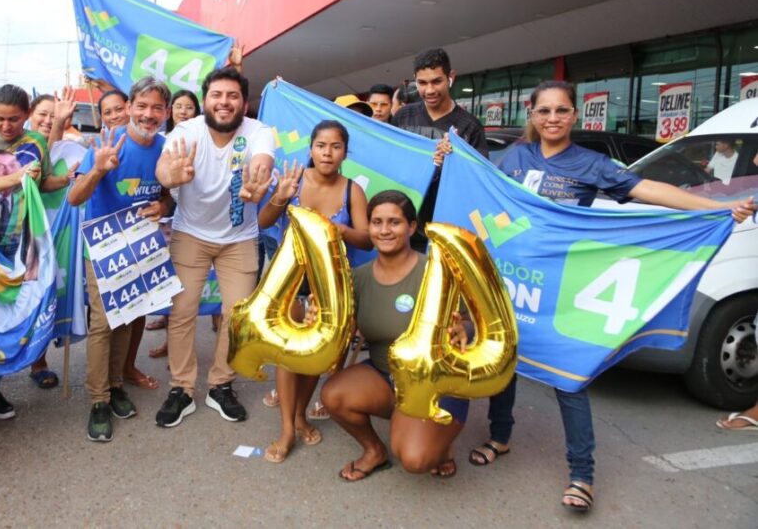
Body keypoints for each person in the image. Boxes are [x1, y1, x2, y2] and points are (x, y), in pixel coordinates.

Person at [437, 80, 756, 513]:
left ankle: (581, 473)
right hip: (510, 279)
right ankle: (500, 436)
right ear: (531, 115)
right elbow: (480, 186)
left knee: (570, 376)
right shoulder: (514, 156)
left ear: (574, 116)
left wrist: (716, 208)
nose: (552, 118)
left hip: (562, 286)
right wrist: (447, 157)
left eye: (562, 110)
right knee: (504, 357)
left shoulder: (591, 164)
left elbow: (650, 191)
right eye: (544, 110)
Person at [320, 190, 471, 481]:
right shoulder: (358, 277)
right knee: (334, 395)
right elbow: (340, 329)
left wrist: (463, 329)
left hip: (434, 385)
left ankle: (441, 442)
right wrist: (319, 317)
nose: (384, 230)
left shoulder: (437, 272)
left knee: (416, 460)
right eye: (376, 222)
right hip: (384, 374)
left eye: (394, 222)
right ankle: (374, 451)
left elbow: (473, 321)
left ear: (412, 227)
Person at [155, 67, 275, 427]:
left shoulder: (258, 131)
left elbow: (262, 161)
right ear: (205, 100)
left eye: (232, 96)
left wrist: (258, 181)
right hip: (190, 233)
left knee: (236, 316)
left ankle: (221, 384)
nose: (224, 102)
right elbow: (165, 168)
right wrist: (170, 177)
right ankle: (181, 388)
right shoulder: (186, 131)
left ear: (244, 102)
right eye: (217, 95)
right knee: (182, 313)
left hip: (238, 238)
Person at [0, 84, 72, 431]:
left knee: (7, 319)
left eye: (14, 120)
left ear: (26, 116)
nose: (6, 126)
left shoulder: (36, 143)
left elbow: (41, 183)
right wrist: (14, 176)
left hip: (22, 246)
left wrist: (66, 179)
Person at [256, 120, 371, 462]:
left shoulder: (353, 190)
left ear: (345, 153)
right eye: (321, 145)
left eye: (336, 147)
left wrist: (337, 229)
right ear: (311, 149)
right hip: (289, 279)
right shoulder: (292, 180)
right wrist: (280, 199)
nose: (327, 152)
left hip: (330, 283)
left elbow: (366, 237)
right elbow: (262, 221)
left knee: (314, 355)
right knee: (289, 352)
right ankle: (287, 431)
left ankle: (301, 415)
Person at [67, 76, 172, 441]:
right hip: (103, 243)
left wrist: (163, 204)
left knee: (127, 318)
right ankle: (99, 400)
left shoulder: (166, 148)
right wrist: (98, 169)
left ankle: (115, 385)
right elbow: (75, 198)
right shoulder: (103, 143)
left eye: (156, 107)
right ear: (128, 107)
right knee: (102, 323)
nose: (148, 114)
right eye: (141, 106)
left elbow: (168, 195)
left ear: (166, 113)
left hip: (141, 242)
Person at [392, 48, 487, 252]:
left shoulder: (470, 126)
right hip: (402, 224)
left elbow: (478, 182)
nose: (429, 90)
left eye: (437, 81)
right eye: (422, 83)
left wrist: (453, 163)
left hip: (446, 228)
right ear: (414, 80)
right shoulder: (403, 116)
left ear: (451, 77)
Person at [25, 89, 79, 389]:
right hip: (22, 234)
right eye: (43, 114)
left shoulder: (74, 149)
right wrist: (58, 123)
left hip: (58, 233)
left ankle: (38, 360)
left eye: (54, 114)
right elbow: (39, 162)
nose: (48, 119)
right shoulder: (19, 146)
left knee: (47, 295)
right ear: (30, 114)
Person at [147, 89, 203, 354]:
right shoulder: (160, 142)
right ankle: (167, 329)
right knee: (164, 282)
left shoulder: (202, 140)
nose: (183, 111)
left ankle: (177, 346)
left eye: (189, 107)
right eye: (178, 106)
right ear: (170, 112)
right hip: (160, 221)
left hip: (190, 224)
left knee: (182, 289)